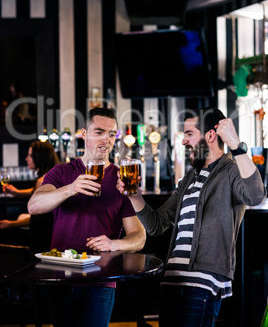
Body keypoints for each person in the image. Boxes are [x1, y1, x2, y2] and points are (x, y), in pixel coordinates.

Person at [117, 106, 267, 327]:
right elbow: (157, 225)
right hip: (171, 284)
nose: (184, 141)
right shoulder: (189, 178)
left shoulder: (231, 171)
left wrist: (235, 145)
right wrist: (135, 197)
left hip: (201, 286)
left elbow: (256, 195)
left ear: (210, 136)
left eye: (189, 134)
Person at [27, 107, 146, 327]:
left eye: (111, 134)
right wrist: (70, 189)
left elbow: (139, 236)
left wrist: (114, 244)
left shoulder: (122, 178)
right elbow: (34, 206)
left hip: (101, 281)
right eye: (99, 132)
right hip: (60, 277)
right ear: (84, 134)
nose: (106, 140)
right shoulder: (62, 173)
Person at [0, 140, 60, 250]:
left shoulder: (42, 181)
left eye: (30, 155)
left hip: (43, 237)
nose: (26, 159)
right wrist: (17, 192)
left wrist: (11, 224)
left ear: (39, 157)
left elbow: (36, 220)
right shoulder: (53, 175)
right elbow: (36, 192)